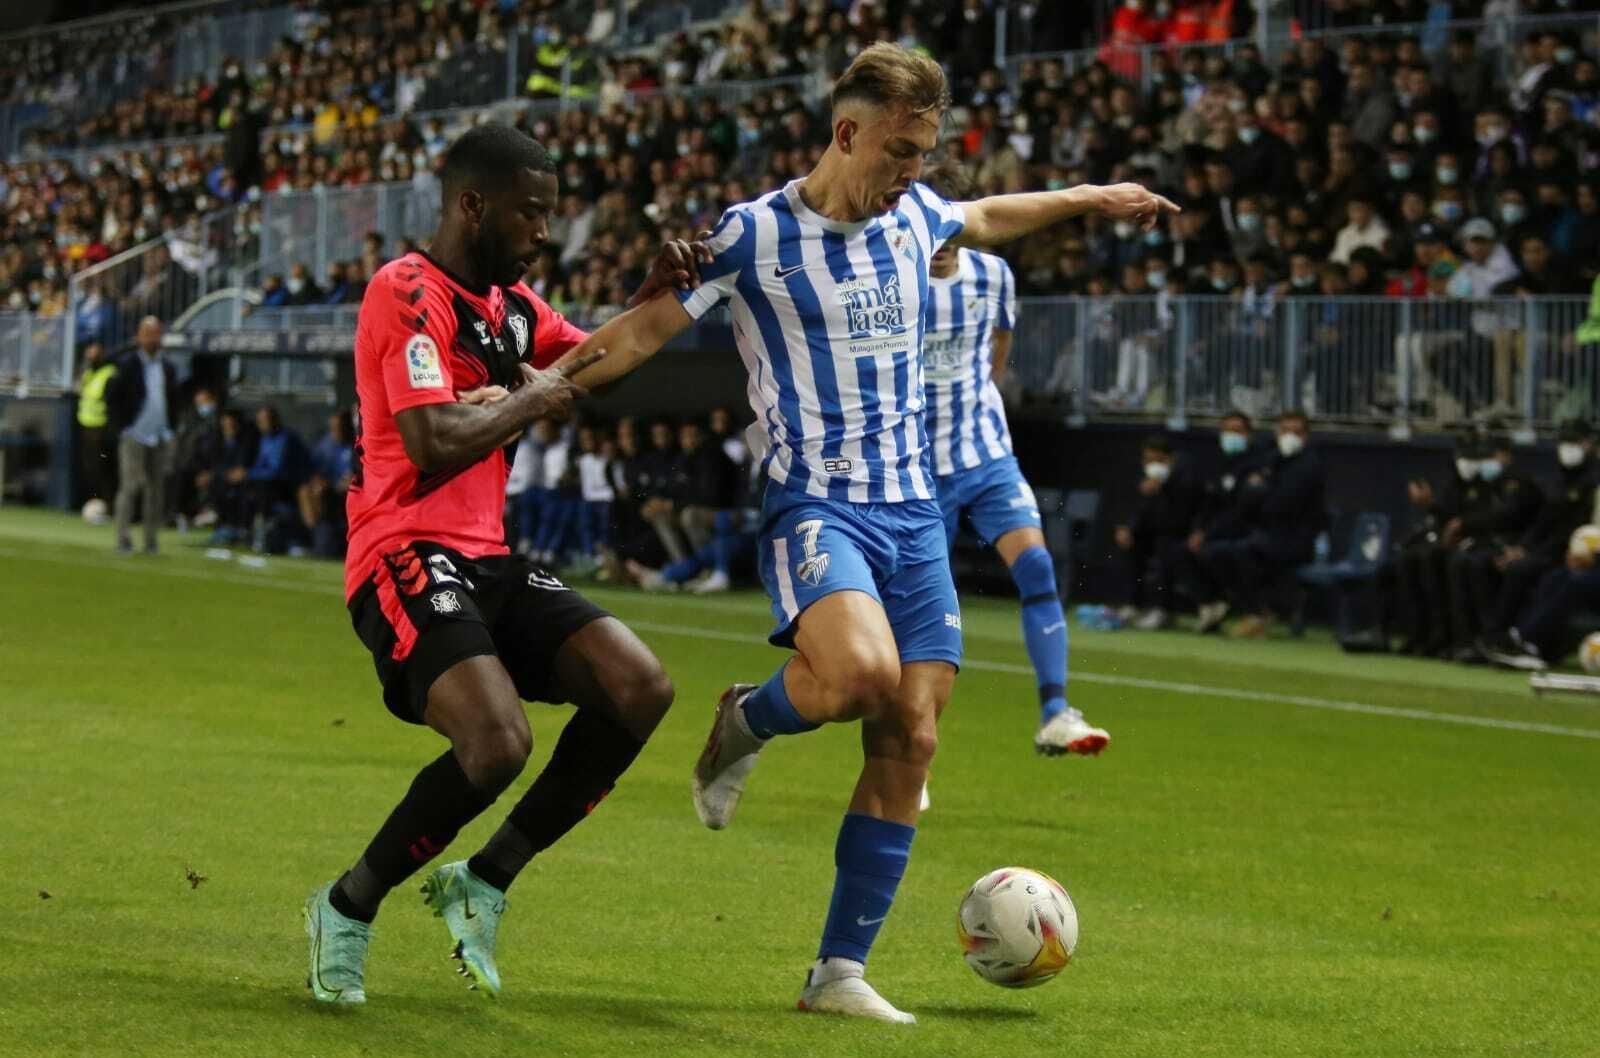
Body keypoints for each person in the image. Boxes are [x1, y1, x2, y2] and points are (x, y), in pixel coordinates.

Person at [547, 43, 1177, 1022]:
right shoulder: (754, 235)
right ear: (847, 134)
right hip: (819, 504)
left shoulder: (918, 214)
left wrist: (1096, 195)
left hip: (914, 511)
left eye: (924, 151)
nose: (913, 172)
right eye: (898, 150)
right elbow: (638, 332)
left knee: (910, 735)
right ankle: (743, 720)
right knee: (857, 677)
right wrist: (530, 395)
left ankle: (836, 971)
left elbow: (994, 213)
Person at [303, 123, 706, 1005]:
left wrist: (679, 294)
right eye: (531, 213)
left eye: (551, 215)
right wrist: (531, 395)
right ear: (471, 205)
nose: (544, 231)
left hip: (486, 558)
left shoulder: (516, 308)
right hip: (401, 549)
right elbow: (431, 441)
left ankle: (483, 880)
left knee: (639, 686)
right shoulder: (406, 291)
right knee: (497, 743)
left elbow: (601, 360)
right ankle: (345, 908)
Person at [919, 159, 1109, 753]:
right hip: (916, 468)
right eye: (935, 236)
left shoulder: (994, 276)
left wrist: (977, 412)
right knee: (922, 610)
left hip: (985, 453)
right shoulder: (894, 283)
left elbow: (996, 358)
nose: (944, 249)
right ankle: (909, 747)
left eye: (956, 236)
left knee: (1036, 567)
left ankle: (1055, 712)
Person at [1193, 409, 1326, 638]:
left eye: (1296, 432)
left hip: (1296, 539)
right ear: (1277, 432)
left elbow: (1280, 503)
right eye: (1285, 430)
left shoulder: (1309, 465)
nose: (1290, 436)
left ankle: (1258, 614)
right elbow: (1248, 498)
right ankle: (1247, 609)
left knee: (1243, 551)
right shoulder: (1272, 458)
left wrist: (1260, 490)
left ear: (1305, 436)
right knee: (1217, 551)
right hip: (1267, 534)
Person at [105, 316, 180, 555]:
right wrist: (122, 428)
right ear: (139, 336)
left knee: (156, 489)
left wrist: (170, 428)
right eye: (148, 334)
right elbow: (112, 397)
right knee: (130, 486)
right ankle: (123, 538)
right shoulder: (127, 365)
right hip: (134, 433)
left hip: (159, 435)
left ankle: (151, 540)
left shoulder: (167, 366)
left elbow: (172, 400)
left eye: (156, 333)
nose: (153, 338)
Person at [1113, 434, 1202, 631]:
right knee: (1131, 545)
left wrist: (1165, 487)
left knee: (1165, 548)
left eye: (1158, 460)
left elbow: (1187, 510)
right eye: (1148, 459)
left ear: (1169, 459)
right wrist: (1127, 528)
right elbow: (1138, 509)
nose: (1152, 464)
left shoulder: (1184, 475)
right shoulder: (1145, 478)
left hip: (1178, 533)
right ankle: (1133, 605)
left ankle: (1163, 610)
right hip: (1152, 533)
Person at [73, 340, 116, 523]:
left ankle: (108, 507)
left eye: (94, 352)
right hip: (86, 427)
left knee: (104, 470)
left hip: (102, 429)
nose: (91, 356)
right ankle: (94, 505)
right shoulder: (88, 373)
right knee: (90, 470)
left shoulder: (109, 373)